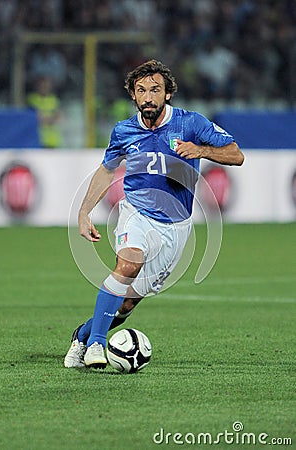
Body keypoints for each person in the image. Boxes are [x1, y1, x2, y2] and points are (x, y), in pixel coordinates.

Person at [64, 59, 244, 369]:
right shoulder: (124, 130)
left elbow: (236, 155)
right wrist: (83, 213)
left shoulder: (192, 124)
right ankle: (96, 345)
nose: (148, 97)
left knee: (128, 302)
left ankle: (82, 335)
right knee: (128, 262)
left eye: (155, 90)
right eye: (141, 90)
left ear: (168, 94)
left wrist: (201, 151)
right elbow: (107, 172)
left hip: (176, 227)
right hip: (136, 212)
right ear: (133, 96)